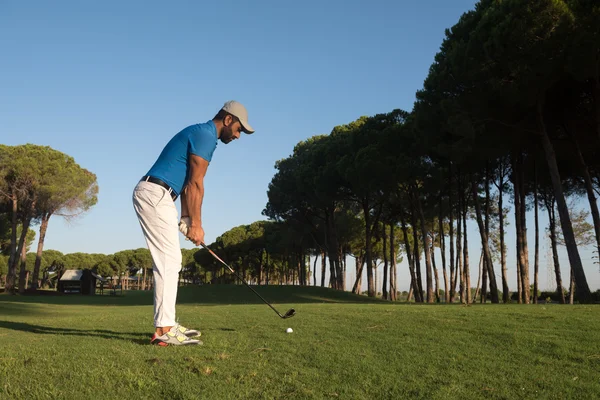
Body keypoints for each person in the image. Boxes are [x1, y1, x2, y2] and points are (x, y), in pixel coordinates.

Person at [132, 100, 255, 346]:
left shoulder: (202, 134)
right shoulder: (206, 135)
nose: (239, 136)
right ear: (228, 119)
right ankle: (164, 330)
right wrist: (197, 225)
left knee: (172, 260)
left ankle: (168, 324)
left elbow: (188, 183)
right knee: (168, 261)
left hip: (162, 194)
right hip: (156, 193)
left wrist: (187, 218)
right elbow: (197, 183)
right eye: (240, 129)